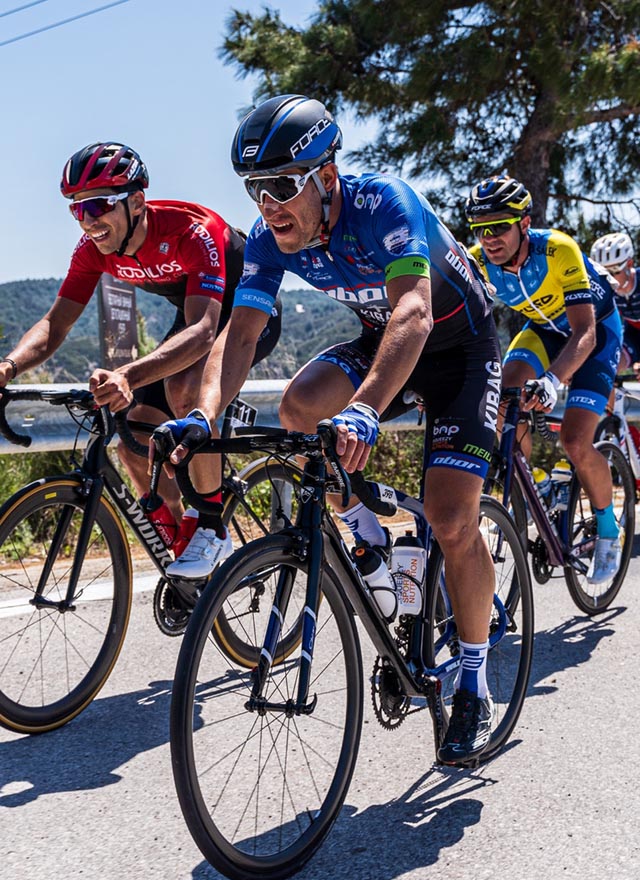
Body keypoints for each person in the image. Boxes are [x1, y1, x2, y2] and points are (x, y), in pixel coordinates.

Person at [156, 93, 505, 765]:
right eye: (255, 189)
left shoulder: (385, 206)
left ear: (325, 173)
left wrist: (369, 409)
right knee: (298, 405)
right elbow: (241, 334)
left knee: (450, 517)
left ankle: (473, 680)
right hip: (386, 342)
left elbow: (413, 314)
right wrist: (201, 414)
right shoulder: (267, 237)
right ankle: (370, 539)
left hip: (457, 348)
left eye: (282, 185)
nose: (268, 204)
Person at [0, 141, 280, 578]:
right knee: (134, 436)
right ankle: (179, 538)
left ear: (135, 201)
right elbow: (55, 325)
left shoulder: (192, 231)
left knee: (185, 388)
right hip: (192, 319)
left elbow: (205, 331)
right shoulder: (93, 249)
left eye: (97, 205)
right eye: (78, 209)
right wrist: (8, 367)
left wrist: (128, 373)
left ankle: (211, 523)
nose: (89, 221)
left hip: (245, 315)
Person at [466, 175, 623, 584]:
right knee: (503, 400)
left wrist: (553, 380)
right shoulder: (477, 259)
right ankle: (534, 482)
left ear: (524, 223)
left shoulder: (558, 249)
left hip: (595, 335)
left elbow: (584, 332)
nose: (490, 238)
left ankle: (608, 529)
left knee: (574, 440)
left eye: (499, 226)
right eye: (481, 229)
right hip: (542, 331)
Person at [590, 232, 640, 378]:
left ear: (629, 264)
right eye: (604, 273)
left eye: (614, 271)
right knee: (610, 362)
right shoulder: (606, 291)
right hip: (632, 334)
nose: (609, 279)